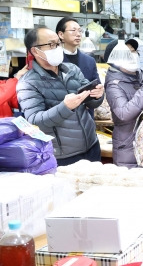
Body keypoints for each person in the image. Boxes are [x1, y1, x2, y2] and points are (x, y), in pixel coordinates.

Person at [17, 27, 104, 165]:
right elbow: (35, 121)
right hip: (63, 155)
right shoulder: (28, 83)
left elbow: (89, 102)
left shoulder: (72, 69)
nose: (57, 48)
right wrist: (65, 107)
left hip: (91, 145)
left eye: (58, 44)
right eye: (51, 44)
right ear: (35, 50)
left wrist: (97, 95)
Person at [104, 40, 143, 167]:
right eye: (127, 53)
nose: (133, 55)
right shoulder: (114, 85)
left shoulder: (141, 76)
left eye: (134, 51)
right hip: (128, 147)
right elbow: (124, 113)